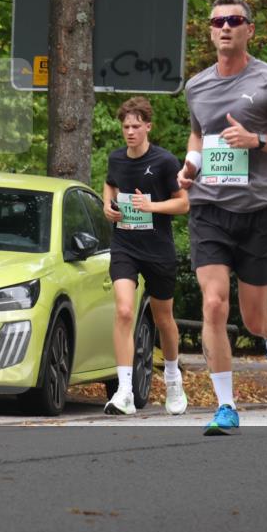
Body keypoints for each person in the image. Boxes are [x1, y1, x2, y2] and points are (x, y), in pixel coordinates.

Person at [176, 0, 267, 435]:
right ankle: (226, 405)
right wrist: (190, 166)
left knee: (254, 319)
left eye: (235, 20)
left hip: (259, 211)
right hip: (210, 208)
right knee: (214, 304)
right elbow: (199, 135)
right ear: (210, 31)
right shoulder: (196, 86)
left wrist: (258, 141)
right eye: (218, 22)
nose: (225, 27)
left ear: (250, 29)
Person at [101, 96, 190, 416]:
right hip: (125, 244)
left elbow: (183, 203)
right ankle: (124, 391)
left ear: (148, 127)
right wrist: (107, 206)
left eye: (136, 126)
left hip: (157, 248)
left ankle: (172, 379)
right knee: (124, 310)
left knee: (163, 318)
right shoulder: (116, 159)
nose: (130, 132)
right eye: (125, 126)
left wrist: (151, 206)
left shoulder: (165, 161)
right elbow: (109, 185)